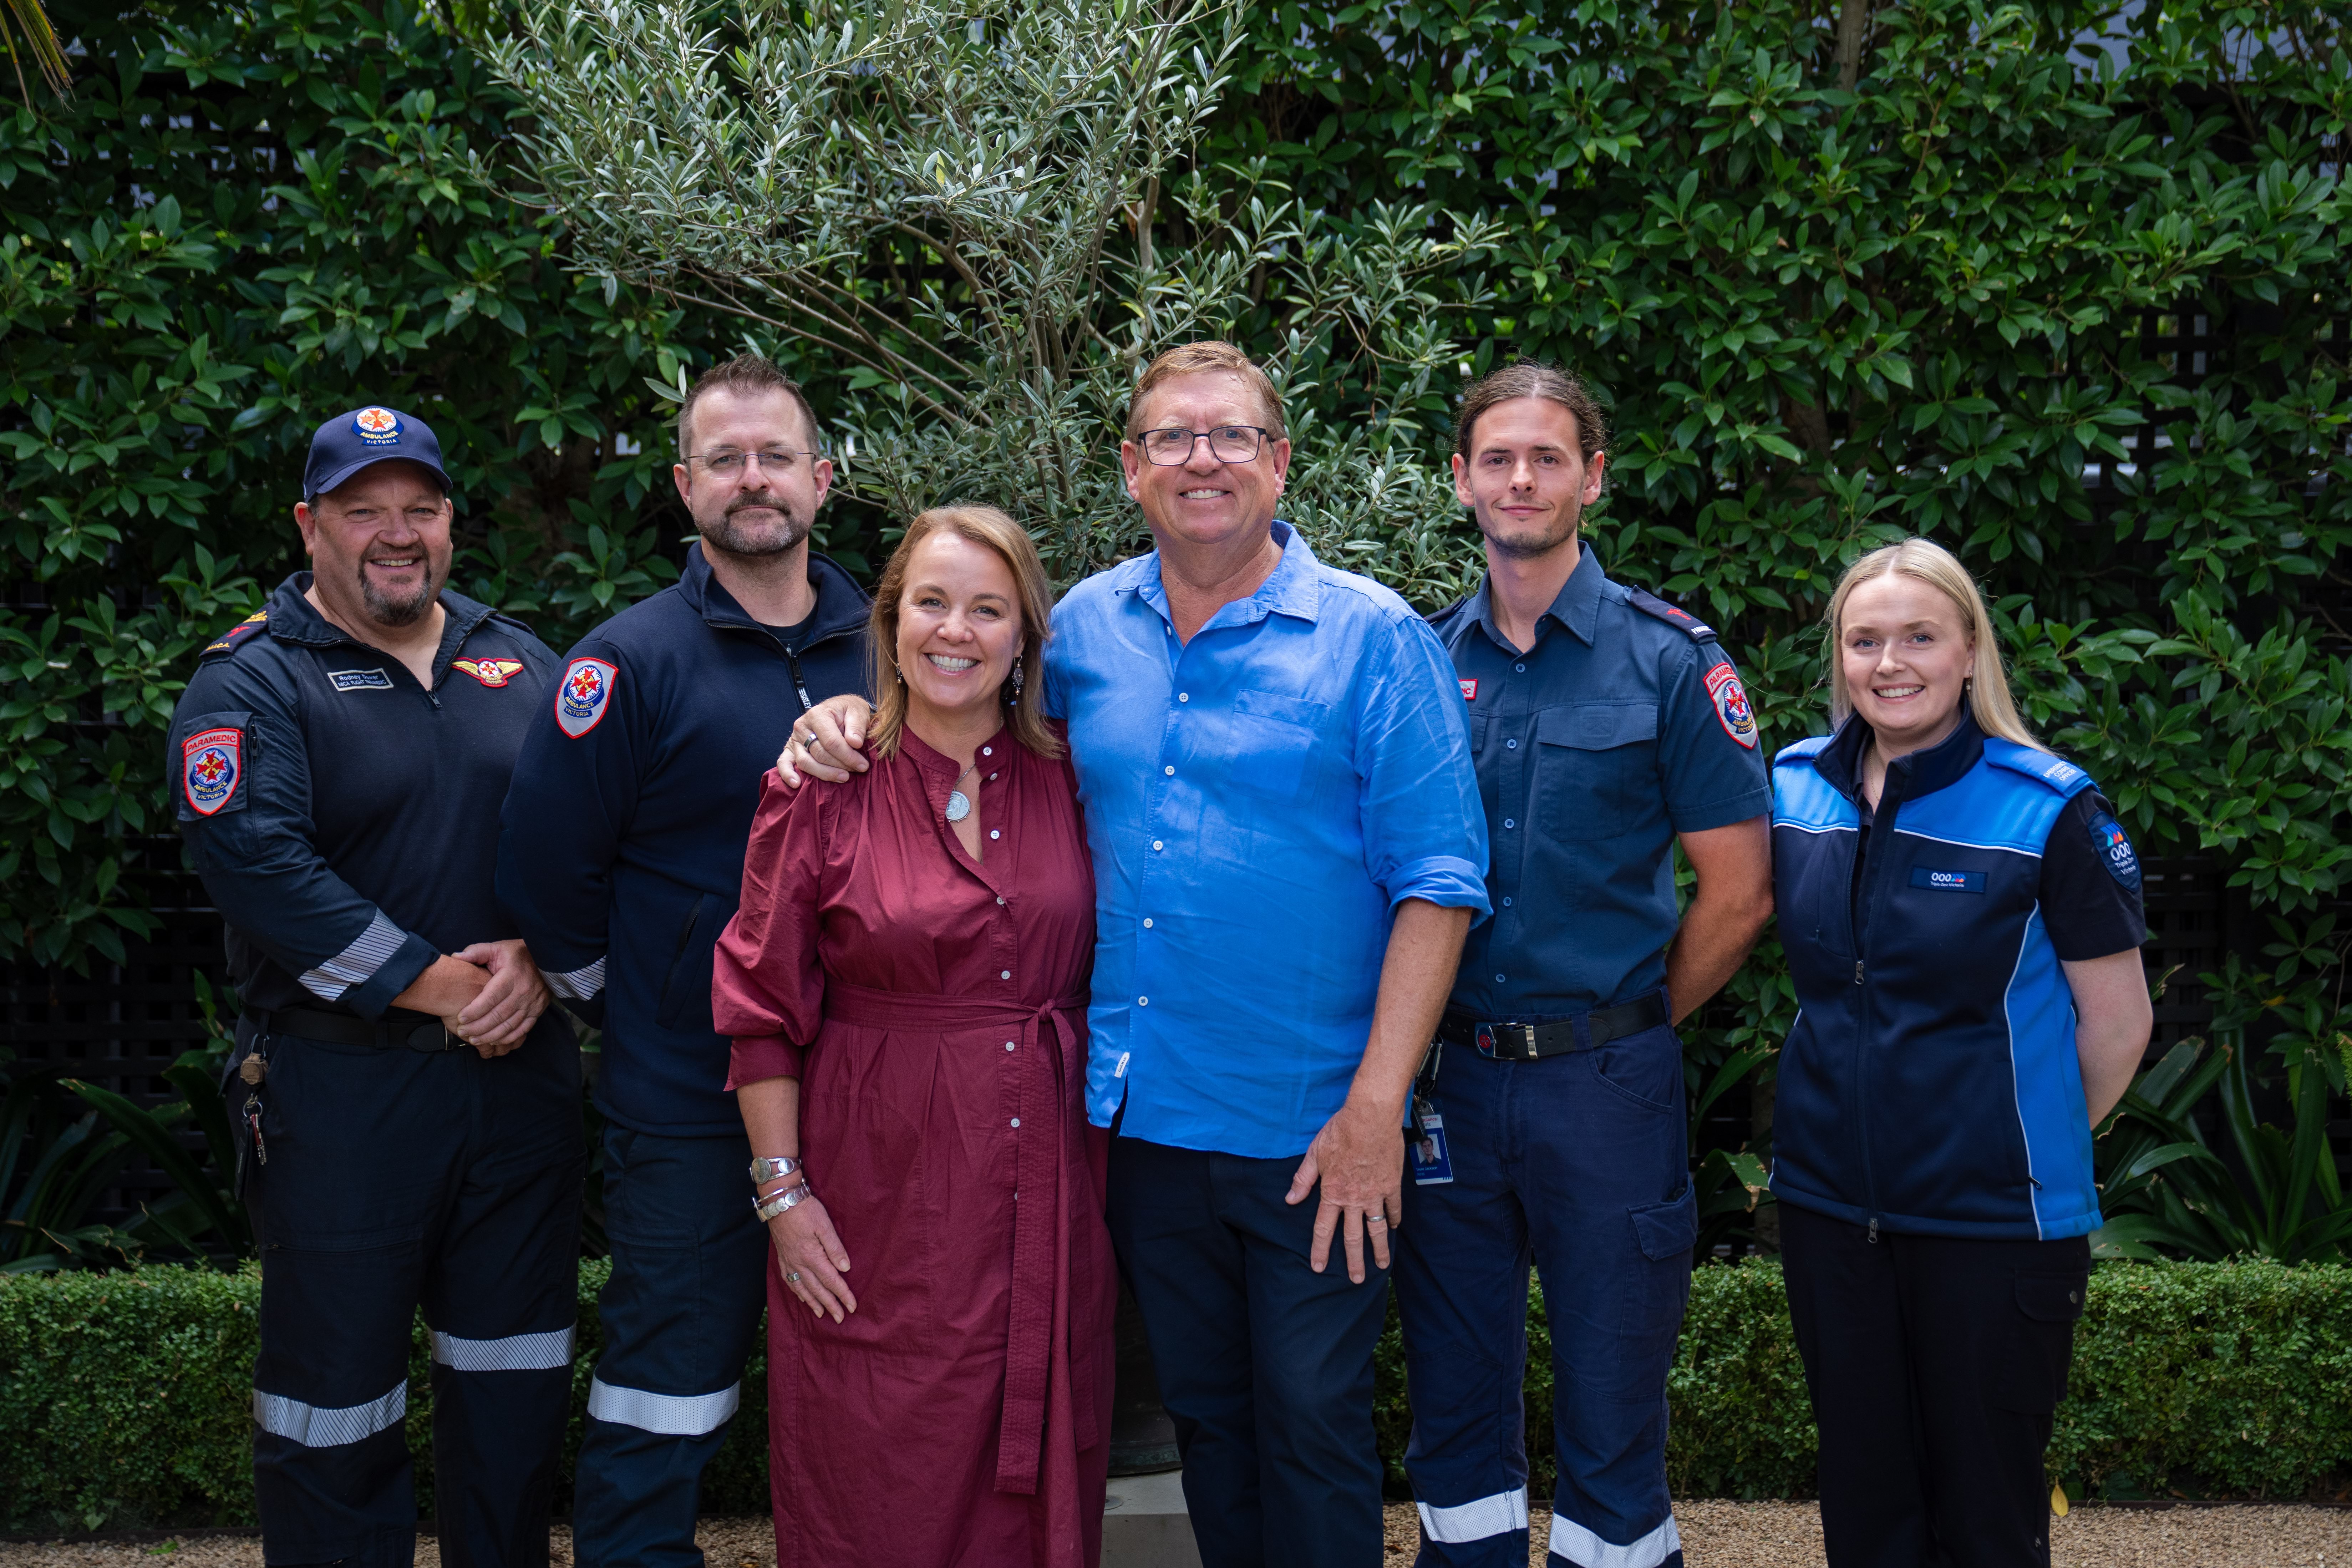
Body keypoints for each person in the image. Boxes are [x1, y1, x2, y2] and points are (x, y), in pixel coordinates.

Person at [778, 340, 1489, 1568]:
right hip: (1138, 1123)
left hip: (1312, 1126)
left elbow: (1440, 885)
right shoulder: (1082, 633)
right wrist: (846, 716)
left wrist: (1377, 1109)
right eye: (1172, 437)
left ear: (1278, 461)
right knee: (1207, 1424)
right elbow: (961, 722)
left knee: (1313, 1428)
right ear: (1130, 466)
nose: (1201, 459)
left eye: (1230, 436)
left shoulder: (1373, 639)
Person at [170, 407, 581, 1568]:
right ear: (311, 525)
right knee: (333, 1404)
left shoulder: (523, 663)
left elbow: (591, 837)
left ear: (450, 522)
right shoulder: (253, 678)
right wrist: (434, 984)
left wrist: (542, 956)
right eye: (364, 511)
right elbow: (260, 868)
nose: (397, 533)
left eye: (420, 508)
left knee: (514, 1382)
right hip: (338, 1095)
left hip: (519, 1093)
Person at [495, 353, 870, 1568]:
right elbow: (547, 877)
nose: (753, 480)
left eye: (775, 457)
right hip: (687, 1100)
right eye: (725, 459)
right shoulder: (624, 663)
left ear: (821, 479)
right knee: (670, 1375)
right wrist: (652, 1009)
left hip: (870, 1090)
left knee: (879, 1367)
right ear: (683, 484)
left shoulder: (896, 641)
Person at [1398, 364, 1775, 1568]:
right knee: (1453, 1401)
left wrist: (1633, 1017)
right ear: (1461, 481)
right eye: (1497, 458)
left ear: (1592, 479)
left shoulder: (1670, 661)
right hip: (1450, 1080)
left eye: (1547, 457)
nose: (1521, 478)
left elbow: (1738, 892)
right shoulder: (1414, 660)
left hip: (1605, 1083)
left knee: (1614, 1403)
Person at [712, 504, 1115, 1567]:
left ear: (1024, 635)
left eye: (988, 609)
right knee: (874, 1462)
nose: (956, 631)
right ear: (890, 622)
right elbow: (760, 1006)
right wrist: (783, 1196)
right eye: (932, 603)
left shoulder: (1076, 777)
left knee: (1039, 1466)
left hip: (1049, 1186)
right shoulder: (820, 787)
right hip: (878, 1191)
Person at [1769, 538, 2152, 1566]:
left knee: (1988, 1521)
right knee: (1865, 1510)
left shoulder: (2050, 808)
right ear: (1839, 656)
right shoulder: (1794, 788)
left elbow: (2118, 1026)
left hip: (1993, 1223)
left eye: (1920, 637)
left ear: (1970, 651)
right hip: (1829, 1212)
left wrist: (2011, 1134)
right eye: (1864, 640)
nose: (1890, 663)